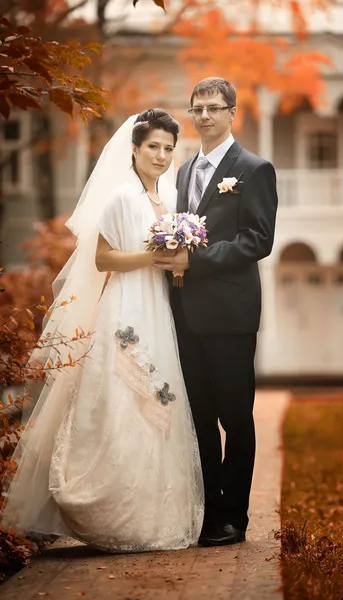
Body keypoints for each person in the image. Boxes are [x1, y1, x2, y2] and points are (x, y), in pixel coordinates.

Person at [1, 110, 204, 552]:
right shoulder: (121, 198)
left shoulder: (167, 200)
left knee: (158, 400)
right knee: (121, 398)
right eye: (153, 146)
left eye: (169, 148)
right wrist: (154, 256)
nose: (162, 155)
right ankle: (109, 510)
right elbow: (104, 260)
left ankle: (151, 513)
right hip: (127, 306)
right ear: (134, 148)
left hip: (158, 307)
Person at [154, 78, 278, 546]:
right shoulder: (183, 172)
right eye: (197, 108)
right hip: (186, 316)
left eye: (213, 107)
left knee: (234, 419)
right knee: (200, 417)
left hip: (230, 317)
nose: (204, 115)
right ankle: (207, 511)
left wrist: (195, 260)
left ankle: (233, 518)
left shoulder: (254, 169)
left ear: (232, 113)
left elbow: (257, 241)